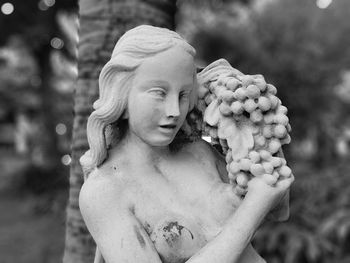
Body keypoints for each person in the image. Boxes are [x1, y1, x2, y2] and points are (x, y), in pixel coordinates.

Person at [79, 25, 294, 263]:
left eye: (183, 95)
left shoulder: (200, 151)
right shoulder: (104, 191)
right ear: (121, 94)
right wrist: (253, 207)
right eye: (159, 93)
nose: (174, 111)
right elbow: (259, 202)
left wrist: (257, 127)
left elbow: (279, 210)